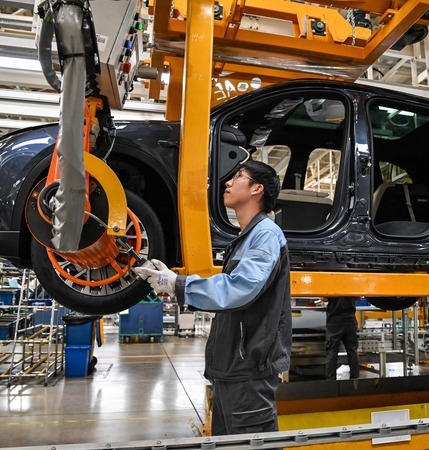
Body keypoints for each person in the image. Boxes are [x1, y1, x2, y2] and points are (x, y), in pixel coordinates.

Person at [133, 160, 292, 436]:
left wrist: (177, 284)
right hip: (232, 371)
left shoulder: (265, 235)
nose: (228, 183)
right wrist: (174, 281)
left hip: (248, 373)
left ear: (257, 189)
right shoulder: (248, 236)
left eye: (238, 176)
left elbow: (239, 288)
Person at [325, 296, 360, 380]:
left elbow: (323, 298)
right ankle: (354, 379)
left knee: (332, 351)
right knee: (352, 350)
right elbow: (358, 297)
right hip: (350, 319)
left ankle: (331, 381)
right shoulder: (352, 282)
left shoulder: (330, 282)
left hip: (334, 320)